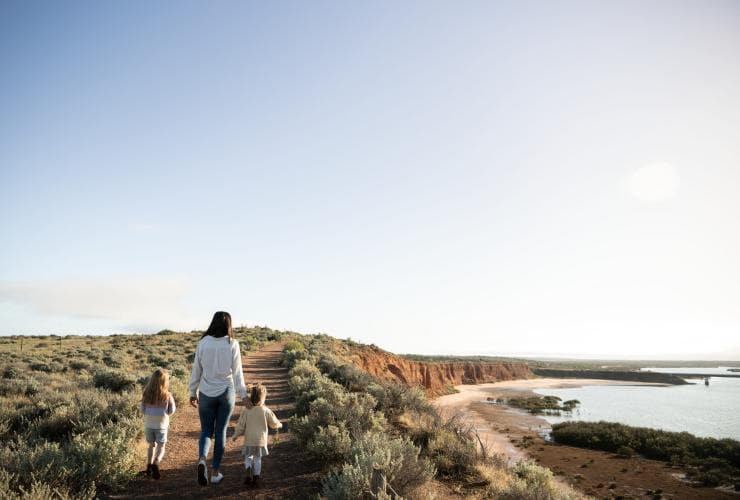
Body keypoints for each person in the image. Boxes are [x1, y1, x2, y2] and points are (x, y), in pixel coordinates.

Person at [188, 311, 248, 486]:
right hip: (226, 392)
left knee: (206, 430)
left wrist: (193, 392)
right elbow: (238, 373)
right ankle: (215, 473)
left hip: (206, 392)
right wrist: (243, 395)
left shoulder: (203, 343)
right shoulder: (232, 343)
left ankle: (201, 460)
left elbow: (196, 370)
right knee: (221, 432)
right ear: (229, 325)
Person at [231, 384, 282, 487]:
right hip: (260, 440)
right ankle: (257, 477)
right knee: (257, 458)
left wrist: (235, 435)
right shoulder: (265, 410)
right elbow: (274, 422)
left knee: (248, 457)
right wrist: (279, 425)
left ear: (251, 396)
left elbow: (241, 425)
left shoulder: (246, 410)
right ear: (263, 398)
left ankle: (248, 470)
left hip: (249, 440)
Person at [140, 368, 176, 480]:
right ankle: (156, 462)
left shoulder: (146, 394)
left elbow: (142, 410)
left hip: (149, 425)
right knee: (161, 445)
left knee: (151, 445)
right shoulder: (168, 395)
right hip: (162, 426)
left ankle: (148, 466)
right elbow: (172, 410)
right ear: (165, 382)